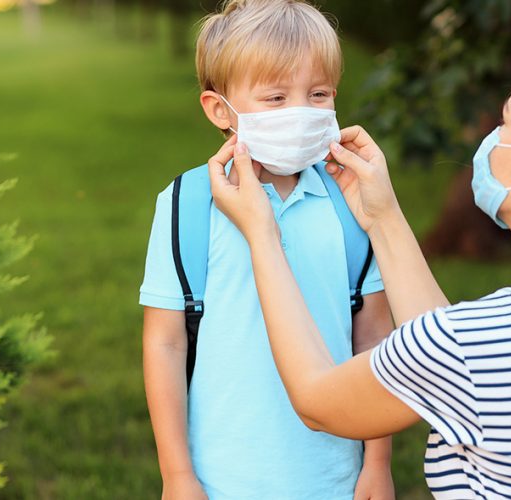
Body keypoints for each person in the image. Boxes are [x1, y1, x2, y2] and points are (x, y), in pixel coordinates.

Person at [208, 48, 511, 499]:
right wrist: (382, 217)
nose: (491, 139)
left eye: (506, 123)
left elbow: (318, 399)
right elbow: (456, 362)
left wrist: (263, 235)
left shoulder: (474, 346)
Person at [138, 1, 396, 499]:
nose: (300, 111)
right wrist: (178, 476)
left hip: (333, 477)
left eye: (317, 94)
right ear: (220, 110)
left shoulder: (352, 204)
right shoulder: (186, 206)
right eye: (276, 98)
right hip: (220, 480)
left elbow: (374, 341)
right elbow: (165, 344)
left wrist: (377, 463)